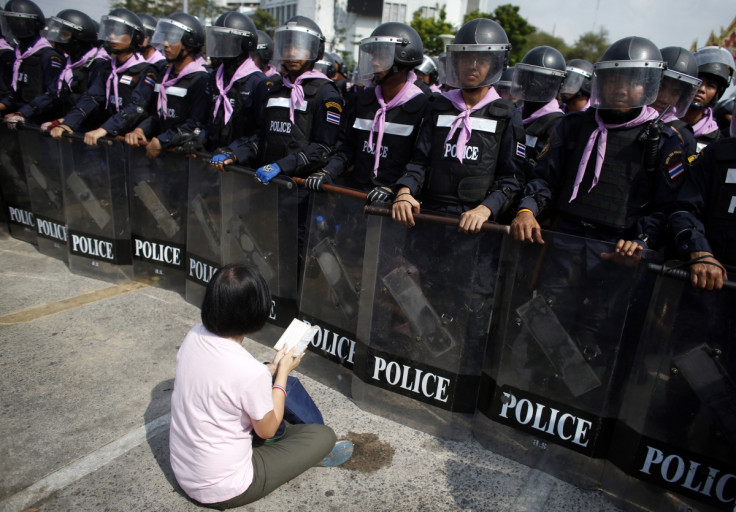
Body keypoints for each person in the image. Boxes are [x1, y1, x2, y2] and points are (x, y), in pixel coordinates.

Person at [510, 37, 686, 385]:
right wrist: (527, 210)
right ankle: (535, 393)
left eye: (633, 81)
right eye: (614, 79)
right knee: (547, 318)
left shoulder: (663, 140)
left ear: (647, 86)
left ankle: (581, 406)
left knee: (598, 331)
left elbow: (667, 206)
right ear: (601, 82)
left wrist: (642, 240)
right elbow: (545, 178)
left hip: (617, 253)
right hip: (566, 240)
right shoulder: (573, 126)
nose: (622, 88)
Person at [169, 263, 352, 509]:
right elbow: (266, 429)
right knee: (322, 437)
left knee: (269, 384)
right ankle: (306, 455)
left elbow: (226, 380)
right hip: (226, 487)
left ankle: (289, 447)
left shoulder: (194, 336)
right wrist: (283, 374)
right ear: (256, 312)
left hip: (185, 470)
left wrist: (272, 369)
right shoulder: (248, 371)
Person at [392, 17, 526, 231]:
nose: (472, 66)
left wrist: (486, 208)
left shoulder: (507, 115)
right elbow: (419, 162)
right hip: (429, 218)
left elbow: (511, 179)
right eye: (466, 58)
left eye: (481, 60)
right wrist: (405, 191)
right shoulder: (437, 105)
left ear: (494, 64)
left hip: (477, 227)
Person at [305, 22, 429, 199]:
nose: (375, 63)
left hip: (394, 206)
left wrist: (398, 189)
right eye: (373, 57)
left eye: (382, 56)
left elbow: (420, 162)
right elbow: (346, 148)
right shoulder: (361, 100)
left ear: (404, 59)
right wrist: (327, 171)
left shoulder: (424, 104)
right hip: (356, 197)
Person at [49, 8, 157, 146]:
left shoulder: (146, 70)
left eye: (118, 31)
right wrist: (68, 124)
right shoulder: (105, 67)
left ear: (135, 36)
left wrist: (104, 129)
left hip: (133, 142)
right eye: (110, 31)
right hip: (109, 139)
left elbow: (137, 107)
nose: (112, 36)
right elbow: (92, 97)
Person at [123, 12, 209, 159]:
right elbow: (159, 117)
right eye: (165, 38)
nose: (165, 44)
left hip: (187, 161)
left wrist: (162, 141)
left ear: (188, 44)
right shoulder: (163, 74)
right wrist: (140, 130)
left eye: (173, 39)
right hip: (163, 158)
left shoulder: (201, 79)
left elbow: (195, 125)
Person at [203, 11, 270, 158]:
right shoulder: (214, 78)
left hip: (241, 167)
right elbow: (205, 120)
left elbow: (261, 132)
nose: (221, 46)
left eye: (227, 40)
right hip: (211, 162)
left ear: (246, 43)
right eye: (218, 39)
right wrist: (199, 139)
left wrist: (235, 152)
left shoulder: (258, 82)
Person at [40, 9, 107, 132]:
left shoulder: (98, 64)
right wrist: (24, 112)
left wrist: (65, 122)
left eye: (65, 34)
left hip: (86, 131)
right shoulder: (68, 63)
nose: (59, 38)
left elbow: (92, 101)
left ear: (79, 37)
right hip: (66, 126)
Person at [0, 0, 65, 124]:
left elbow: (52, 94)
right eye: (10, 20)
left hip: (38, 121)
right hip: (17, 120)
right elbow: (14, 92)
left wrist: (24, 112)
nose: (13, 25)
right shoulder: (17, 54)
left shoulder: (48, 56)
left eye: (19, 21)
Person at [512, 45, 566, 172]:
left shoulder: (557, 124)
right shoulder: (515, 114)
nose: (530, 83)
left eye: (539, 79)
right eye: (527, 76)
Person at [682, 46, 735, 152]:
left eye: (710, 86)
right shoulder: (662, 122)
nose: (701, 89)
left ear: (717, 94)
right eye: (698, 82)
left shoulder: (717, 141)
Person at [651, 46, 701, 156]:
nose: (664, 99)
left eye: (676, 92)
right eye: (660, 87)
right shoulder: (625, 117)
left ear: (683, 97)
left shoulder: (683, 136)